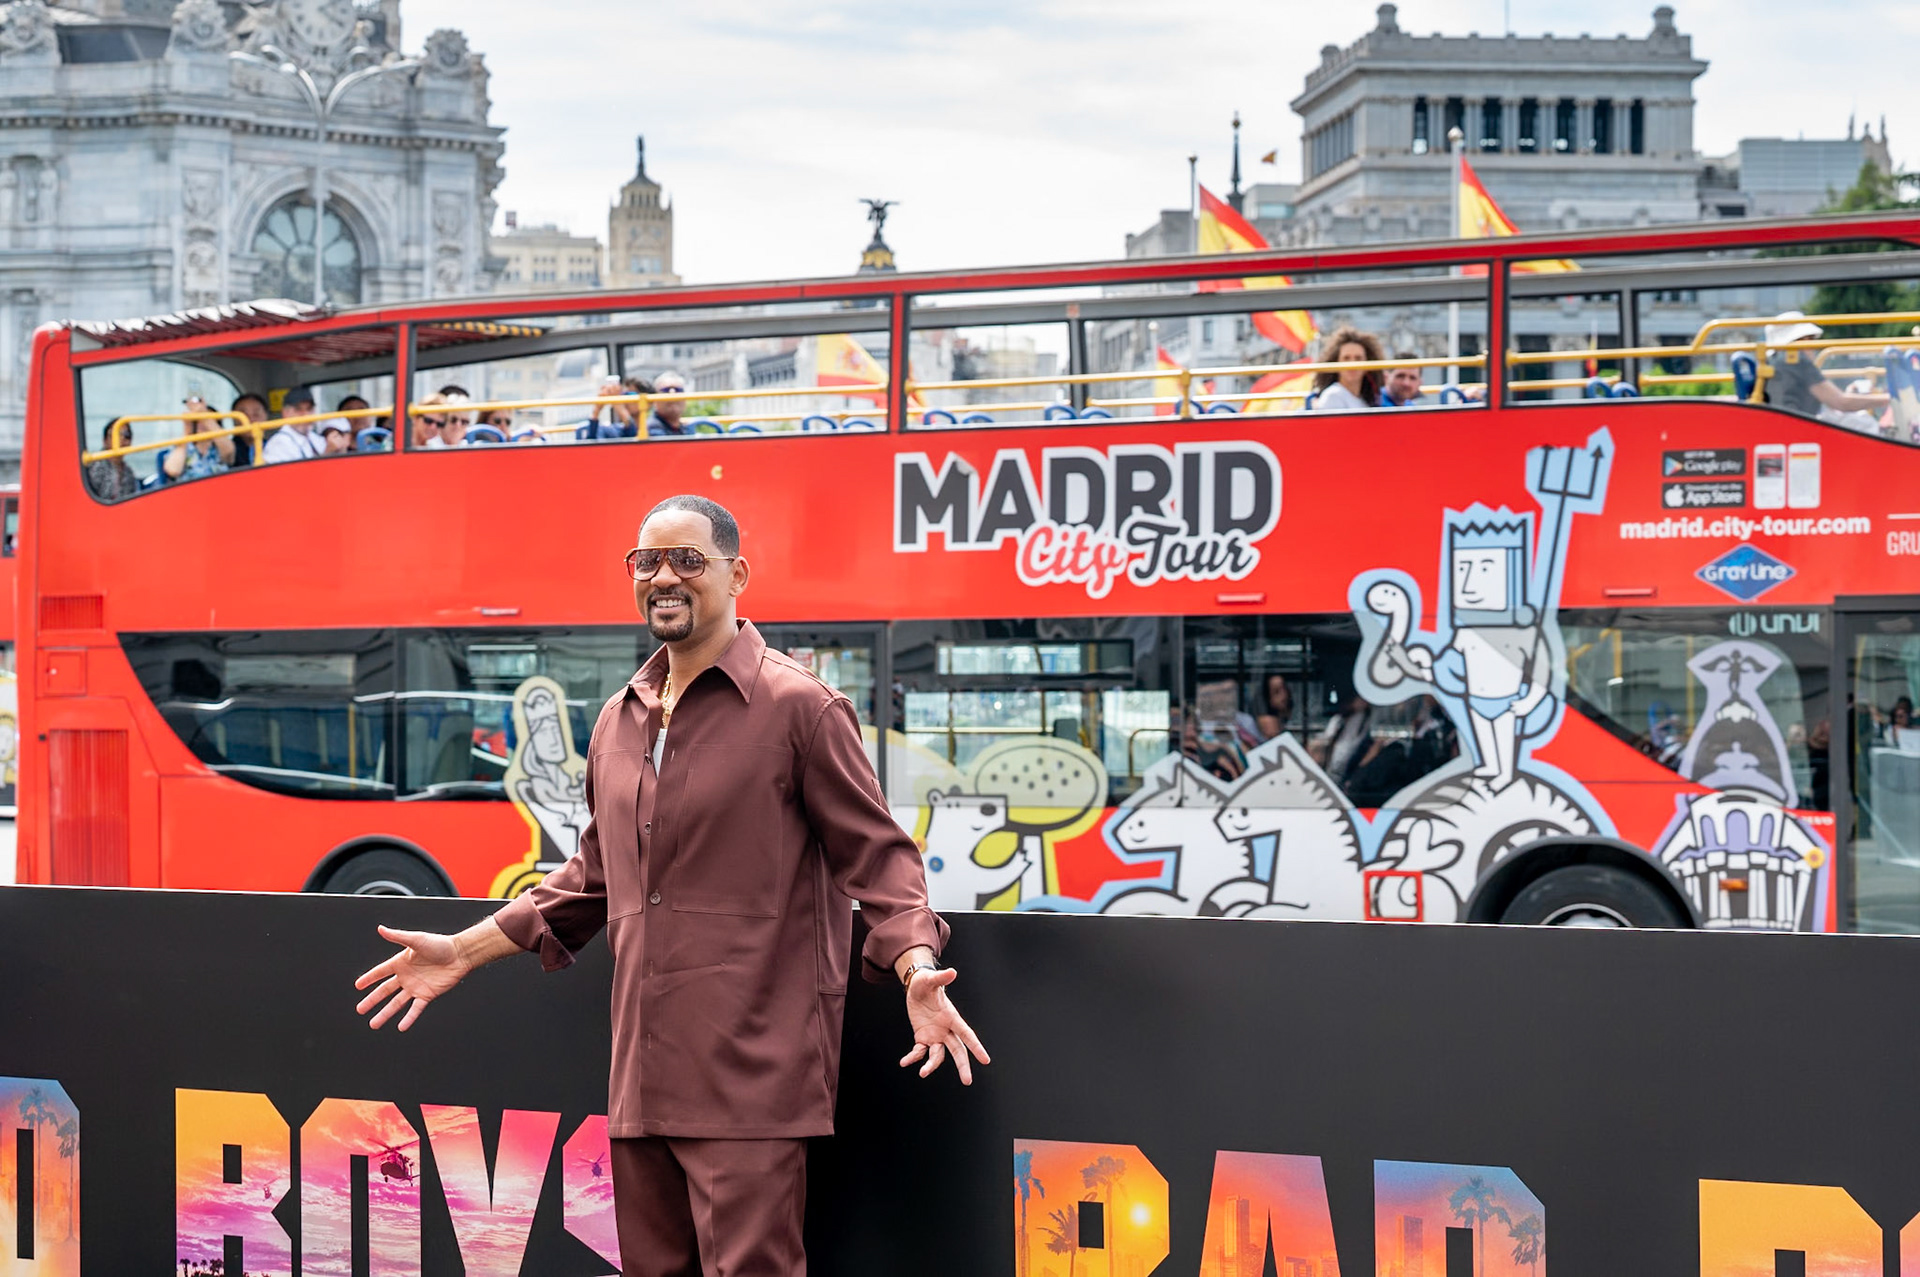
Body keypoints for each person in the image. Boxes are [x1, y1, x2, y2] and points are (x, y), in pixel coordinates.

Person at [352, 494, 987, 1276]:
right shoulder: (618, 720)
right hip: (641, 1079)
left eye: (688, 560)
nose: (664, 577)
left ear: (737, 574)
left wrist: (918, 969)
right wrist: (461, 949)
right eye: (646, 561)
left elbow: (883, 859)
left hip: (754, 1078)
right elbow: (589, 879)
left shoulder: (804, 708)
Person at [1762, 312, 1888, 431]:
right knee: (1866, 424)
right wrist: (1888, 399)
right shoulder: (1795, 360)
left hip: (1788, 426)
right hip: (1801, 428)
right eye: (1810, 338)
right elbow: (1840, 402)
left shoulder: (1775, 362)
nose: (1814, 344)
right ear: (1801, 339)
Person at [160, 394, 233, 483]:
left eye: (208, 419)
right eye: (198, 420)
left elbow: (229, 453)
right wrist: (187, 429)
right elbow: (173, 470)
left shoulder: (220, 447)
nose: (202, 424)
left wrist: (204, 415)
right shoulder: (183, 447)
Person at [1310, 326, 1384, 411]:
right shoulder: (1333, 396)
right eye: (1346, 358)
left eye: (1358, 358)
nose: (1352, 364)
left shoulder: (1364, 400)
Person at [261, 385, 325, 464]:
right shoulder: (279, 443)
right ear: (285, 413)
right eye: (298, 409)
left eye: (309, 409)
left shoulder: (315, 438)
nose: (305, 414)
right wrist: (328, 452)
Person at [85, 420, 139, 500]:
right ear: (105, 441)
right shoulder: (94, 466)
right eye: (117, 435)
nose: (122, 439)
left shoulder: (129, 472)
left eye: (127, 435)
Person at [229, 393, 270, 467]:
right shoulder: (228, 451)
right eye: (243, 416)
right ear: (233, 419)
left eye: (256, 414)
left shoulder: (274, 447)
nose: (250, 419)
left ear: (266, 417)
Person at [647, 371, 692, 436]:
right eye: (666, 390)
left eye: (678, 390)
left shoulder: (686, 430)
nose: (672, 394)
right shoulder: (650, 430)